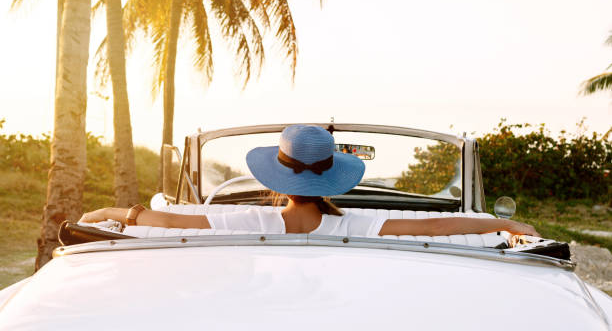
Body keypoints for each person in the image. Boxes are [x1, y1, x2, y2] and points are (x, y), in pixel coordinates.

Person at [80, 124, 540, 238]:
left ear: (276, 178)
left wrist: (111, 212)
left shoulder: (245, 224)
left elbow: (167, 220)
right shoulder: (353, 228)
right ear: (332, 181)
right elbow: (433, 228)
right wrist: (502, 225)